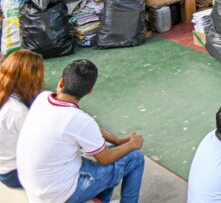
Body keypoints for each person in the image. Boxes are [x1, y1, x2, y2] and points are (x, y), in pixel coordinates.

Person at [16, 59, 145, 203]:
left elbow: (85, 127)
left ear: (61, 82)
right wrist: (132, 144)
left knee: (110, 156)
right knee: (134, 158)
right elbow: (106, 158)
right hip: (57, 195)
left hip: (34, 188)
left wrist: (118, 141)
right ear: (90, 91)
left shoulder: (43, 98)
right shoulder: (79, 120)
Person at [0, 50, 44, 189]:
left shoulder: (5, 96)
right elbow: (40, 147)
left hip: (5, 167)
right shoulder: (17, 111)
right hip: (15, 173)